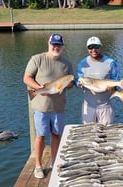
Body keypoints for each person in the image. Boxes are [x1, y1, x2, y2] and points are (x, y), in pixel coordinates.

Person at [23, 33, 74, 179]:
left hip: (58, 107)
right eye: (54, 44)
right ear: (49, 44)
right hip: (41, 107)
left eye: (58, 45)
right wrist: (39, 88)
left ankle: (54, 161)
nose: (56, 47)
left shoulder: (67, 63)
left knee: (56, 135)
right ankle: (38, 166)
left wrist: (66, 85)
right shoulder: (37, 59)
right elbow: (26, 78)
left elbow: (71, 83)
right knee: (40, 136)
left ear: (62, 46)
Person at [76, 36, 120, 125]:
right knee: (89, 135)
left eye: (96, 47)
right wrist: (79, 84)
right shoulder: (82, 63)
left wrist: (113, 87)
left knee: (105, 136)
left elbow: (116, 81)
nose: (93, 50)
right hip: (88, 107)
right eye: (90, 47)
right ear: (87, 49)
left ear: (101, 47)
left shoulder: (110, 62)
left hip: (106, 107)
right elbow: (77, 80)